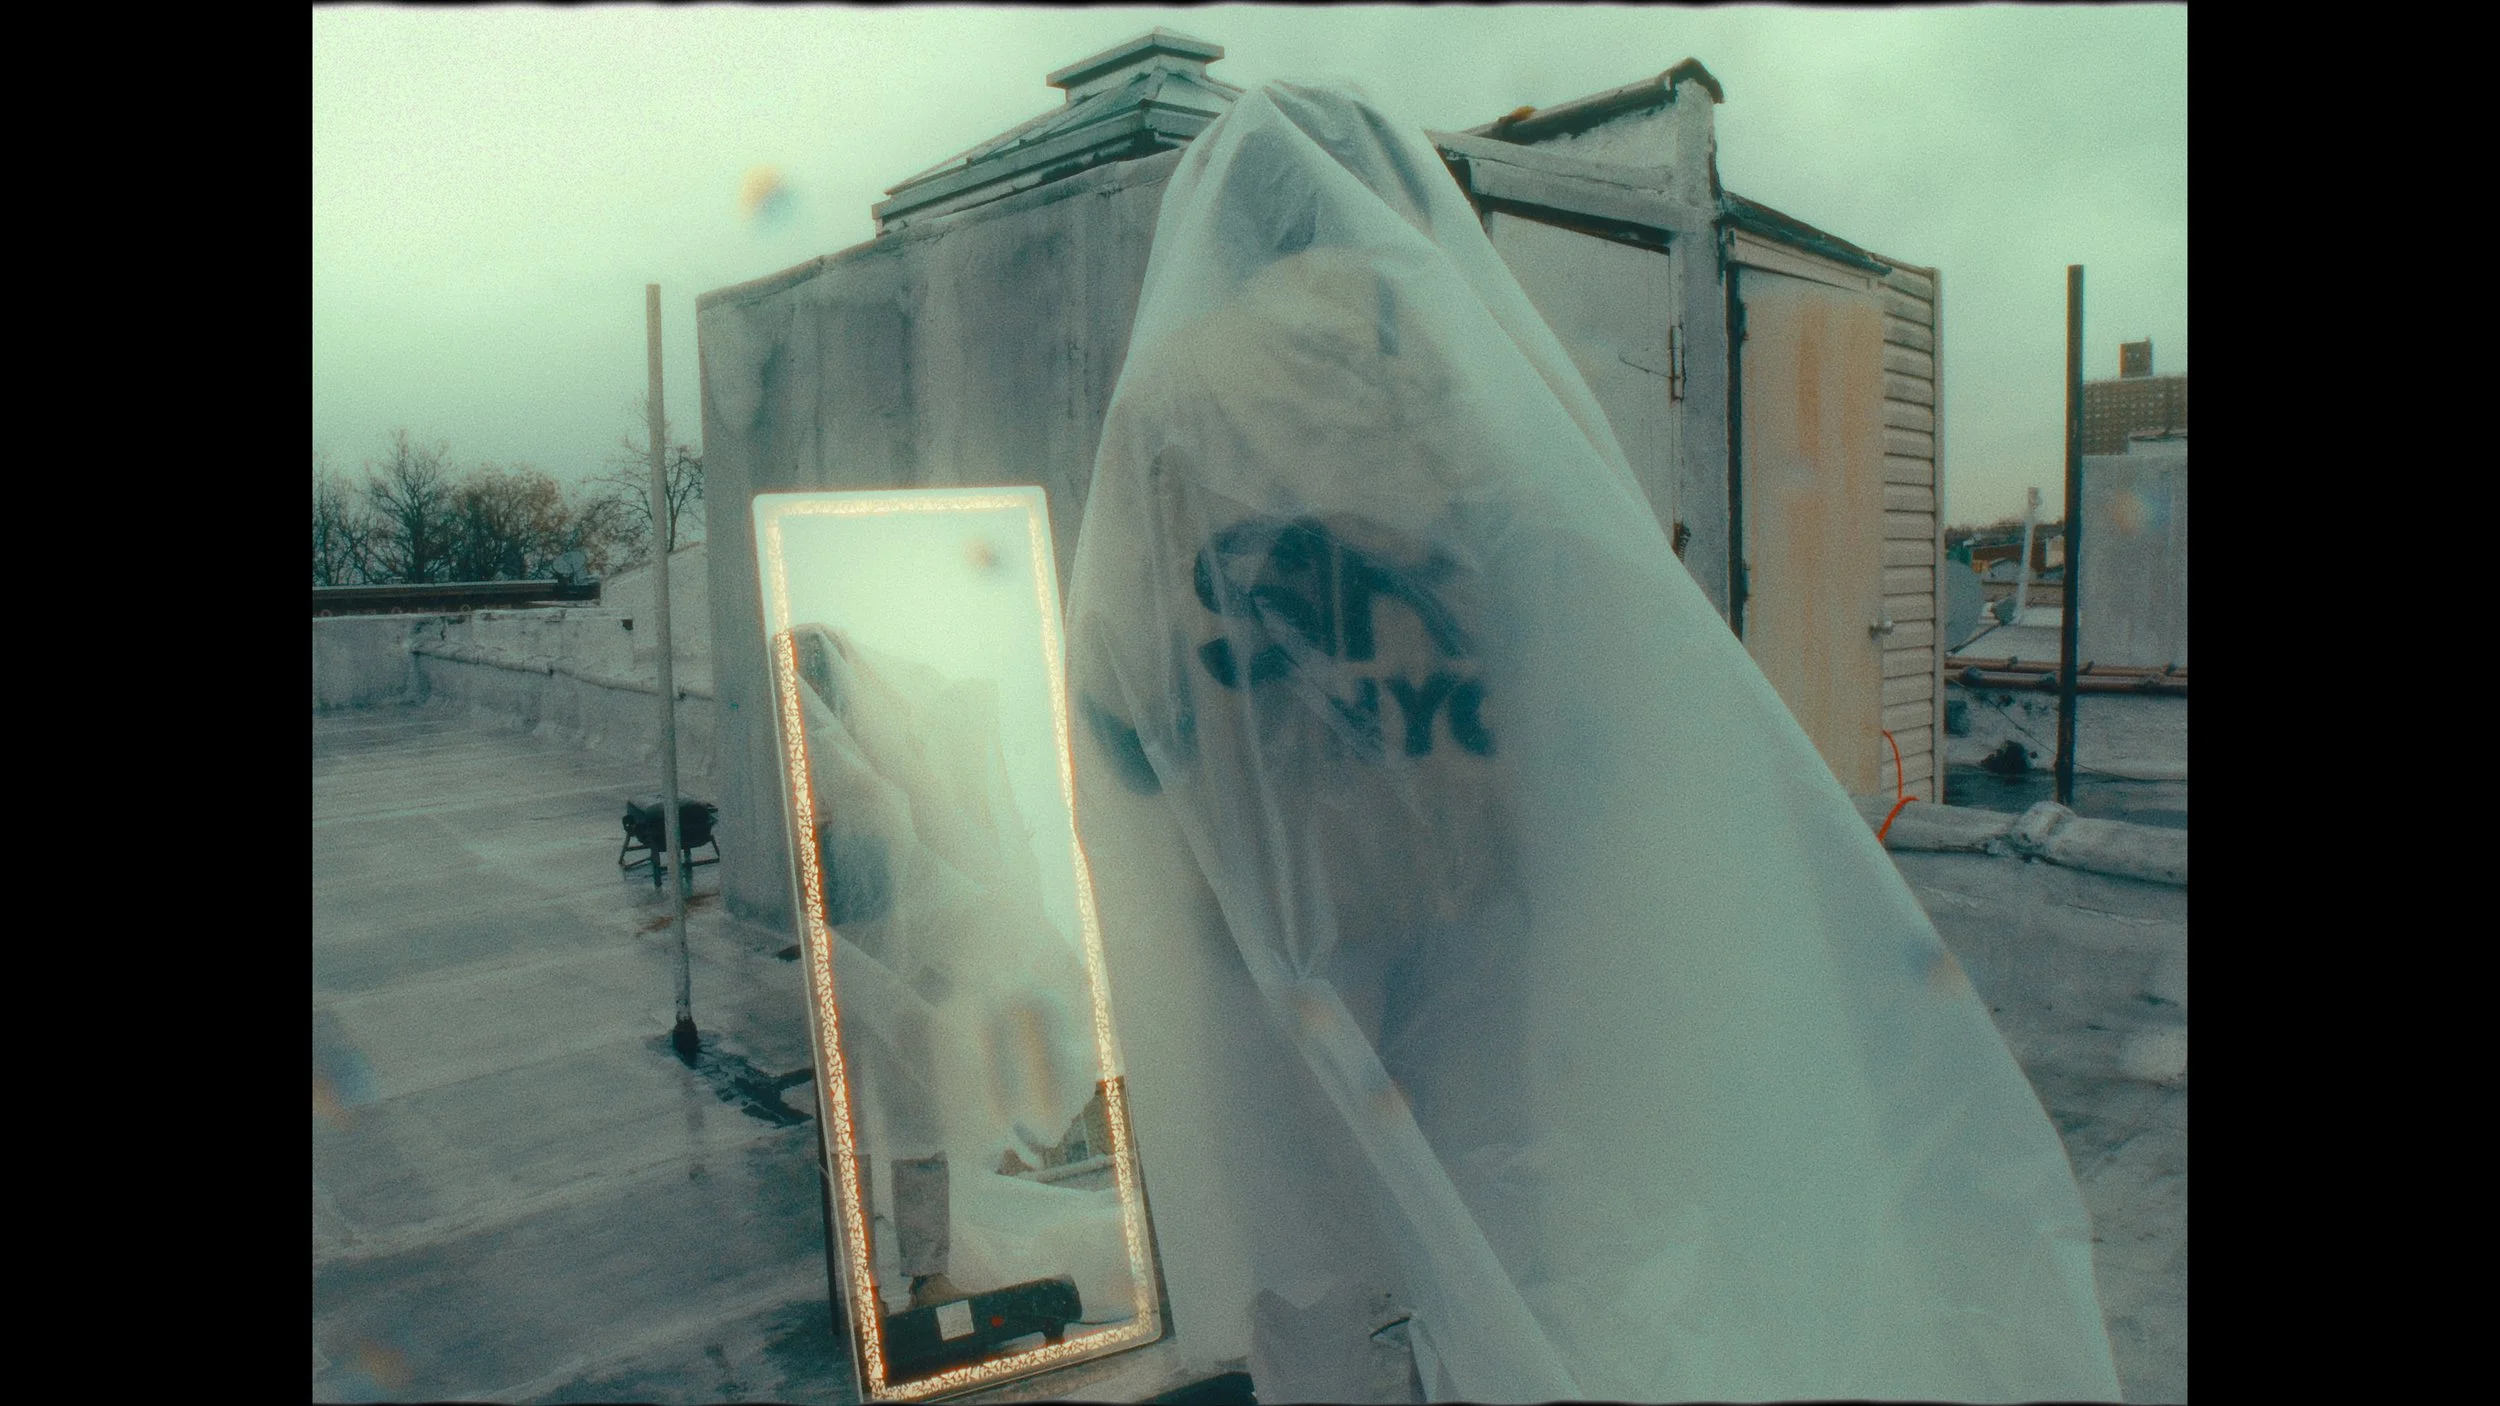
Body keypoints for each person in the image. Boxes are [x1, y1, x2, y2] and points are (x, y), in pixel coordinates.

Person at [1067, 81, 2123, 1402]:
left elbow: (1118, 679)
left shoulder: (1176, 382)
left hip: (1276, 922)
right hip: (1476, 889)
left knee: (1307, 1245)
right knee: (1512, 1210)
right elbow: (1577, 627)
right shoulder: (1457, 364)